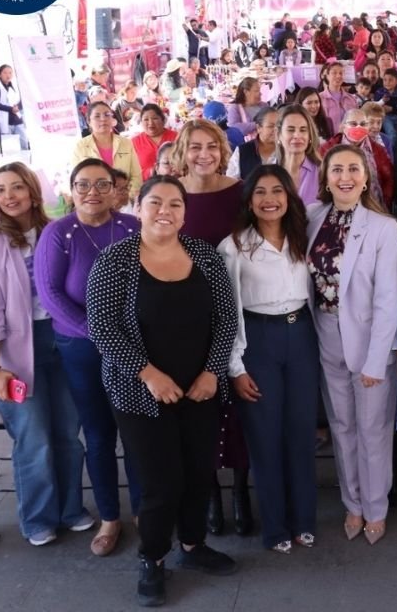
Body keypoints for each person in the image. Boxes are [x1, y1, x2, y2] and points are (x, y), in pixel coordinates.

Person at [86, 176, 239, 605]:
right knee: (160, 480)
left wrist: (212, 372)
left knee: (197, 471)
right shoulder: (115, 260)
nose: (164, 211)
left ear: (185, 213)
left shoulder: (205, 257)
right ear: (138, 207)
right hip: (141, 394)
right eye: (155, 202)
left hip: (200, 389)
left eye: (175, 203)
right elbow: (102, 327)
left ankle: (192, 545)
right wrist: (148, 374)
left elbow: (226, 319)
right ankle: (152, 558)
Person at [0, 163, 93, 547]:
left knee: (68, 436)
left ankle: (71, 508)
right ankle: (38, 517)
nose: (9, 196)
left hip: (65, 340)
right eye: (1, 190)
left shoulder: (58, 231)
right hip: (14, 350)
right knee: (33, 438)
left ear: (33, 191)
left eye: (17, 187)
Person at [36, 158, 142, 556]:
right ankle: (110, 517)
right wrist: (99, 335)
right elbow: (51, 295)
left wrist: (127, 338)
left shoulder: (132, 227)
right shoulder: (58, 233)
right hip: (81, 348)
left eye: (102, 184)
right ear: (71, 189)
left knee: (135, 430)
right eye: (83, 185)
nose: (93, 193)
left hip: (132, 347)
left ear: (116, 189)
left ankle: (143, 510)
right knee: (98, 435)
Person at [218, 165, 319, 554]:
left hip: (301, 335)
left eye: (278, 191)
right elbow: (230, 312)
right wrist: (236, 367)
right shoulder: (235, 246)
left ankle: (303, 520)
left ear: (289, 196)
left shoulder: (302, 237)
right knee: (265, 436)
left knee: (300, 432)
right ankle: (275, 527)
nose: (269, 199)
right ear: (249, 200)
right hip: (258, 339)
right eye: (260, 192)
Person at [308, 144, 397, 545]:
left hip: (368, 340)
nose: (345, 177)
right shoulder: (312, 218)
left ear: (366, 177)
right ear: (326, 179)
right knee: (342, 426)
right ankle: (354, 504)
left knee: (373, 429)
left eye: (353, 169)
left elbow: (387, 300)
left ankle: (377, 508)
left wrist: (377, 360)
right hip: (326, 334)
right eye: (336, 170)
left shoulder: (384, 226)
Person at [170, 120, 251, 535]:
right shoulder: (170, 194)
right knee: (198, 409)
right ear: (183, 150)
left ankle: (241, 489)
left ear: (223, 151)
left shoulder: (238, 192)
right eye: (195, 147)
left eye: (212, 147)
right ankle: (209, 494)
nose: (204, 155)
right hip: (185, 312)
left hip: (235, 306)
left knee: (237, 407)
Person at [320, 107, 396, 207]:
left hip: (373, 206)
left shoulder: (379, 150)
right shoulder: (327, 149)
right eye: (353, 124)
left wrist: (385, 202)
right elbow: (320, 179)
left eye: (363, 124)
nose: (358, 127)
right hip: (336, 205)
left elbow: (388, 179)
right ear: (343, 126)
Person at [72, 101, 143, 198]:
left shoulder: (126, 143)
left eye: (107, 115)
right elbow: (77, 180)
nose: (103, 119)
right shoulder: (81, 146)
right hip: (94, 201)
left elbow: (137, 176)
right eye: (97, 116)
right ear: (89, 121)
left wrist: (125, 196)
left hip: (124, 201)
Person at [0, 64, 30, 151]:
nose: (8, 75)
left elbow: (22, 99)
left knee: (24, 144)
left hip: (17, 120)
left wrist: (18, 107)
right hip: (5, 122)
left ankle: (24, 163)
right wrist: (10, 109)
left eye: (10, 73)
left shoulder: (15, 85)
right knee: (10, 148)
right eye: (5, 73)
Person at [226, 106, 278, 181]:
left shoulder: (286, 151)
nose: (276, 130)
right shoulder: (243, 151)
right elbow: (230, 181)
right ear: (258, 128)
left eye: (279, 126)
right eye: (271, 126)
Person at [132, 104, 178, 180]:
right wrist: (151, 172)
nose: (150, 123)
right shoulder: (134, 142)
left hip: (174, 183)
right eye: (146, 119)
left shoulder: (177, 137)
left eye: (155, 118)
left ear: (163, 120)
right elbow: (130, 172)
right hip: (145, 187)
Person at [320, 62, 359, 132]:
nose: (338, 76)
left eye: (341, 73)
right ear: (327, 76)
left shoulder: (352, 99)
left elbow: (357, 122)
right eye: (334, 73)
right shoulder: (320, 98)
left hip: (348, 140)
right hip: (329, 140)